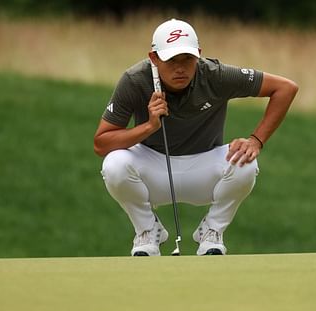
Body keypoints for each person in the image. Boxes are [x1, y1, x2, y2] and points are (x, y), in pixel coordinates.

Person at [94, 18, 298, 256]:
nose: (180, 68)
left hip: (205, 167)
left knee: (246, 163)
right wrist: (149, 127)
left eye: (187, 59)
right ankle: (148, 231)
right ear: (154, 58)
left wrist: (256, 140)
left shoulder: (215, 75)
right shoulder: (135, 80)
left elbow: (285, 88)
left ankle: (211, 232)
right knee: (114, 165)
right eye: (171, 60)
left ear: (198, 55)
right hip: (153, 169)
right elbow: (101, 143)